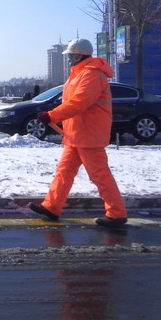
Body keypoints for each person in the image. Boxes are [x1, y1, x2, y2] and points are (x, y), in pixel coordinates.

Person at [27, 38, 128, 228]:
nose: (69, 60)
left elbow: (79, 102)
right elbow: (72, 102)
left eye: (70, 56)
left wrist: (52, 115)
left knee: (100, 176)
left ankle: (117, 213)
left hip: (89, 135)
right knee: (64, 172)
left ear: (79, 55)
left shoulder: (91, 74)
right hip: (76, 134)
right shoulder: (80, 73)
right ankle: (51, 207)